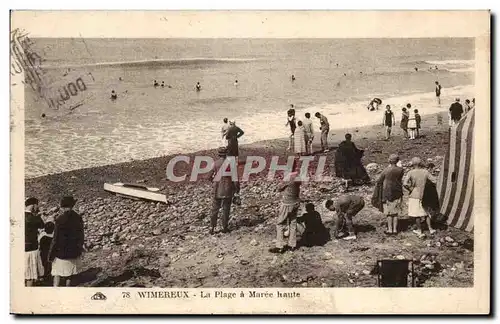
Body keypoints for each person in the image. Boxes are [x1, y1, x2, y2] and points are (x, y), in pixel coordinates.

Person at [49, 196, 84, 287]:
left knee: (57, 274)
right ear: (72, 205)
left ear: (62, 207)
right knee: (70, 274)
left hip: (61, 252)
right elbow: (81, 236)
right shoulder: (78, 217)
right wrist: (79, 248)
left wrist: (51, 254)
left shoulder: (60, 219)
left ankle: (55, 291)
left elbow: (55, 238)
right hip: (73, 251)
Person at [404, 157, 437, 238]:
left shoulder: (410, 172)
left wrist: (410, 188)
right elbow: (435, 180)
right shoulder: (425, 172)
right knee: (426, 212)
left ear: (413, 164)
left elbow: (405, 183)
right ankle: (430, 229)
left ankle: (419, 230)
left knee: (416, 214)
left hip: (414, 194)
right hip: (425, 194)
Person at [269, 171, 302, 253]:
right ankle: (292, 245)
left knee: (280, 224)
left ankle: (279, 246)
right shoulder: (298, 175)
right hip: (296, 202)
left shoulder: (288, 177)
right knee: (292, 223)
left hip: (287, 203)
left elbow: (279, 188)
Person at [210, 148, 239, 234]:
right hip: (227, 189)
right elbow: (235, 180)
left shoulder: (215, 164)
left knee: (215, 209)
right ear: (226, 154)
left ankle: (212, 227)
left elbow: (208, 176)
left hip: (217, 189)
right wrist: (237, 189)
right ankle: (224, 227)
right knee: (226, 209)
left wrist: (214, 181)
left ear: (219, 154)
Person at [375, 154, 404, 235]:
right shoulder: (401, 170)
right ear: (397, 161)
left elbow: (379, 180)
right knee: (395, 213)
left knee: (388, 213)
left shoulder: (386, 170)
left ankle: (390, 230)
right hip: (397, 192)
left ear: (389, 160)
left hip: (387, 192)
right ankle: (395, 230)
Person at [25, 197, 44, 287]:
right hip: (31, 248)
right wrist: (38, 215)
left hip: (21, 247)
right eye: (37, 205)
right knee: (31, 274)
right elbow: (42, 225)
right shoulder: (33, 217)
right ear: (33, 205)